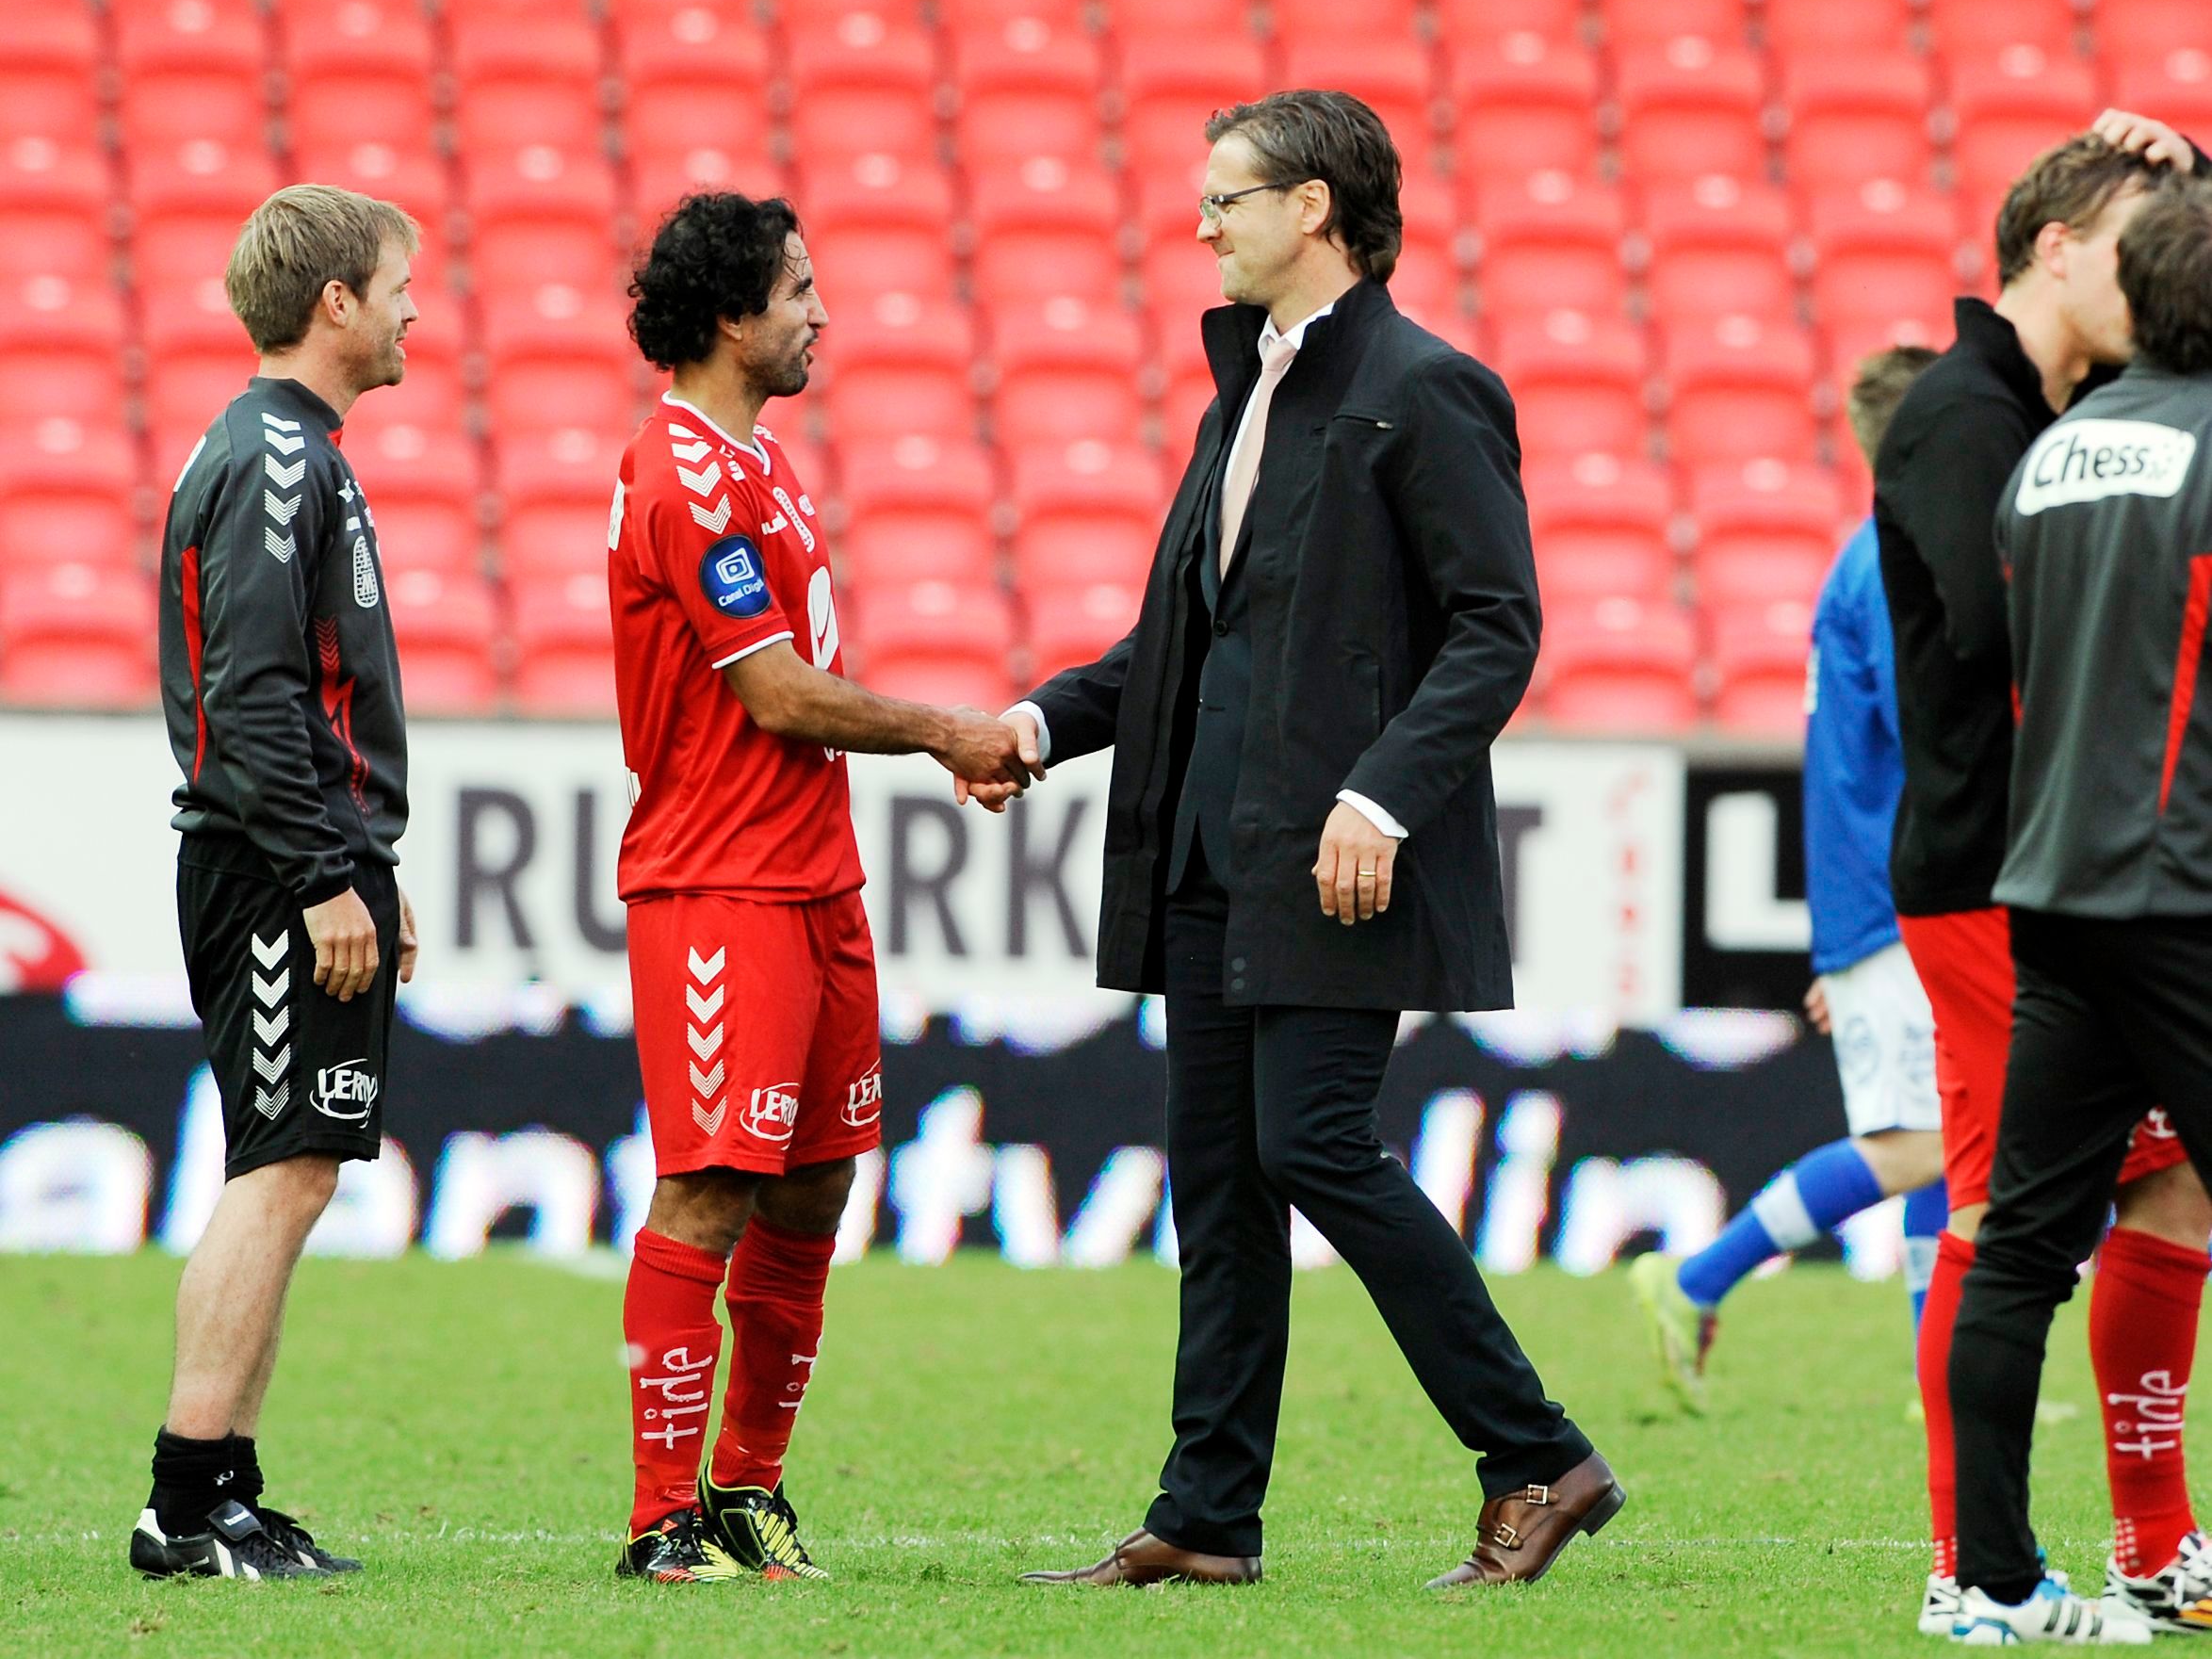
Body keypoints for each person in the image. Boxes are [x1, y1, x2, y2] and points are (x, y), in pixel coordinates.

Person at [964, 90, 1618, 1591]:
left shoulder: (1428, 388)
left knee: (1309, 1140)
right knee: (1220, 1179)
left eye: (1227, 197)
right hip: (1213, 848)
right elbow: (1195, 636)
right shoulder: (1244, 390)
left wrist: (1381, 795)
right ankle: (1207, 1514)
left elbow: (1498, 626)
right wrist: (1043, 723)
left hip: (1339, 853)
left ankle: (1538, 1454)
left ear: (1313, 207)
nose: (1201, 223)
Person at [607, 190, 1036, 1585]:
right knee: (709, 1186)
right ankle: (660, 1521)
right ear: (733, 317)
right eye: (798, 290)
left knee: (813, 1185)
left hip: (815, 879)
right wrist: (946, 732)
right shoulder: (684, 473)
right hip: (720, 885)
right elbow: (779, 694)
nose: (822, 313)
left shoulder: (764, 463)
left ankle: (745, 1490)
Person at [1876, 118, 2212, 1636]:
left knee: (2152, 1187)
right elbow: (2004, 638)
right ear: (2064, 249)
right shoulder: (1964, 415)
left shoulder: (2060, 425)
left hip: (2067, 870)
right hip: (2004, 872)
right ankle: (1974, 1562)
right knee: (2003, 1210)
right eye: (2144, 233)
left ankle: (2145, 1541)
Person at [141, 186, 422, 1580]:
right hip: (269, 870)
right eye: (399, 285)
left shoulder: (292, 450)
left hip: (303, 857)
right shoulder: (274, 457)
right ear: (337, 301)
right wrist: (322, 873)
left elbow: (299, 697)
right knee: (278, 1167)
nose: (414, 310)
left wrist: (370, 862)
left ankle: (230, 1492)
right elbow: (249, 696)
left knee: (295, 1165)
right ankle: (186, 1505)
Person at [1632, 346, 1947, 1413]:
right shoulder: (1898, 567)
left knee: (1950, 1137)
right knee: (1919, 1143)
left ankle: (1938, 1374)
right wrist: (1877, 929)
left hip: (1892, 898)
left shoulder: (1876, 557)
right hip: (1907, 895)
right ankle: (1695, 1277)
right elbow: (1933, 748)